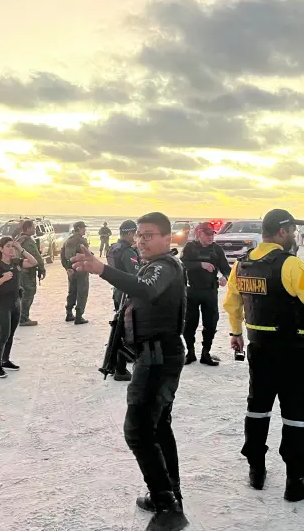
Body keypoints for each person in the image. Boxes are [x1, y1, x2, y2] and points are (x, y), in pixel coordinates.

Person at [72, 212, 188, 531]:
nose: (141, 240)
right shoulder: (152, 265)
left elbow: (145, 289)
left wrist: (102, 269)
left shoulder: (165, 266)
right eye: (138, 235)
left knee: (137, 430)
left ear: (167, 238)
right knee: (158, 428)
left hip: (159, 359)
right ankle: (170, 494)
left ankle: (168, 507)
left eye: (148, 235)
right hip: (153, 356)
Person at [224, 208, 304, 502]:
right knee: (297, 413)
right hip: (291, 351)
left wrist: (235, 333)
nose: (295, 235)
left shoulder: (242, 265)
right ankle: (295, 481)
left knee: (257, 408)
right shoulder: (291, 265)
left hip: (258, 348)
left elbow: (233, 302)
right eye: (293, 230)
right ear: (282, 231)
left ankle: (256, 471)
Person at [0, 236, 38, 378]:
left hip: (16, 303)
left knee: (11, 334)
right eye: (8, 246)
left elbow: (33, 262)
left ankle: (5, 360)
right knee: (4, 335)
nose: (11, 249)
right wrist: (3, 278)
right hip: (3, 304)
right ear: (1, 249)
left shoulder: (16, 262)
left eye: (12, 246)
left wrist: (21, 249)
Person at [180, 222, 231, 366]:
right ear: (199, 234)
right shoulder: (190, 247)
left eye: (212, 234)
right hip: (192, 290)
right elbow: (182, 264)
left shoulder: (216, 249)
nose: (210, 237)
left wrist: (225, 277)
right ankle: (190, 352)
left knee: (211, 323)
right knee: (189, 323)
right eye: (207, 234)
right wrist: (200, 264)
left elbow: (226, 268)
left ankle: (205, 353)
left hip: (210, 291)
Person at [105, 219, 141, 381]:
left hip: (118, 291)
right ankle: (120, 368)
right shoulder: (128, 252)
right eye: (135, 233)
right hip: (127, 293)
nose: (137, 236)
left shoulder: (114, 247)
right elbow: (135, 274)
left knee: (121, 327)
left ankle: (119, 362)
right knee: (126, 330)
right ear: (130, 233)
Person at [14, 219, 46, 327]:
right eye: (33, 227)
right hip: (27, 271)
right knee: (28, 294)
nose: (35, 229)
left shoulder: (19, 238)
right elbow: (36, 256)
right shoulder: (27, 241)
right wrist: (42, 268)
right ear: (28, 229)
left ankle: (20, 317)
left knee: (22, 295)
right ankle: (23, 318)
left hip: (20, 270)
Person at [61, 221, 90, 324]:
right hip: (81, 269)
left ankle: (69, 312)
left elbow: (62, 255)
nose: (84, 230)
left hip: (71, 270)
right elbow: (86, 255)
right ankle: (79, 315)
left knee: (72, 291)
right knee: (82, 292)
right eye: (83, 228)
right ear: (78, 228)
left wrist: (67, 267)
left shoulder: (68, 240)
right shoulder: (81, 241)